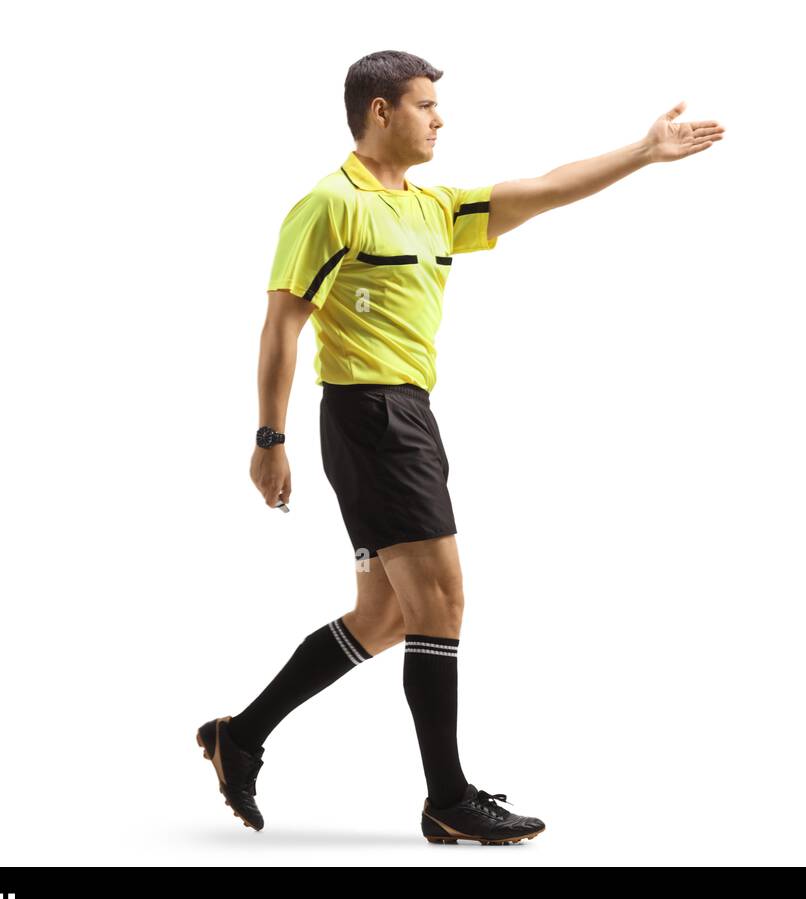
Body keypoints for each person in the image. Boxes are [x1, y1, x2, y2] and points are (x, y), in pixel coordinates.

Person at [197, 50, 724, 846]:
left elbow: (544, 188)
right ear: (380, 113)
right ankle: (447, 797)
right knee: (441, 603)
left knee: (383, 618)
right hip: (368, 418)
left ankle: (240, 736)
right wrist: (269, 438)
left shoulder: (432, 207)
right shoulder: (329, 205)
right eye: (424, 105)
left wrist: (643, 152)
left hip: (410, 416)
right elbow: (283, 321)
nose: (439, 118)